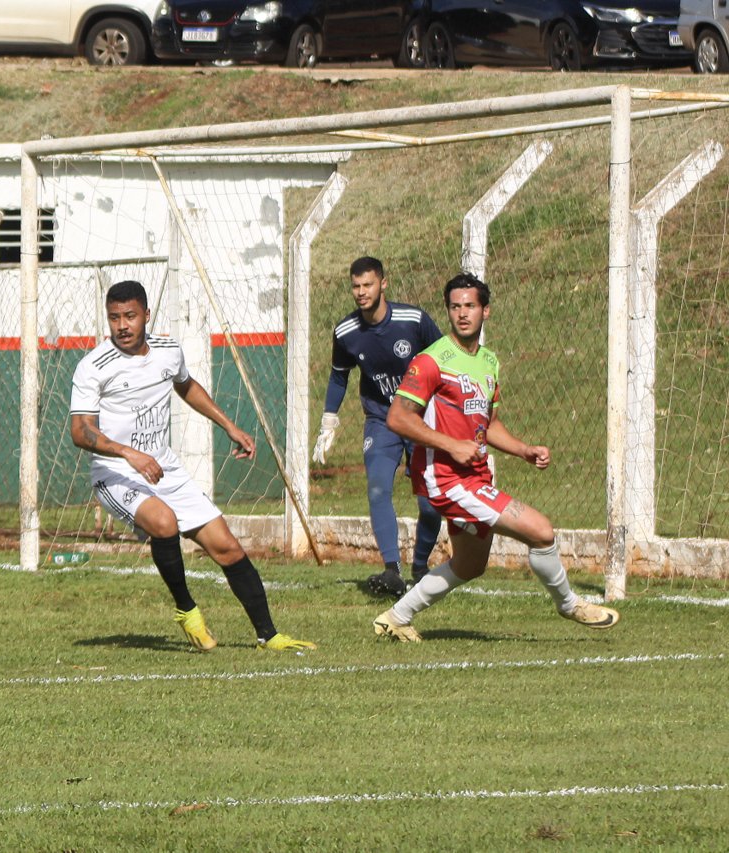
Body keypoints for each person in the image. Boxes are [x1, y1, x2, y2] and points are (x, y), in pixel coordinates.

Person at [68, 280, 316, 653]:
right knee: (164, 523)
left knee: (227, 547)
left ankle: (269, 635)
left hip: (163, 468)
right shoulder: (93, 366)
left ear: (146, 315)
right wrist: (128, 453)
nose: (122, 325)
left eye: (130, 316)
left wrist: (228, 425)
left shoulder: (168, 351)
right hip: (115, 473)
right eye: (114, 317)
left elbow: (186, 386)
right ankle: (187, 610)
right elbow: (79, 430)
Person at [374, 272, 620, 642]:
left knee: (470, 565)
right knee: (541, 531)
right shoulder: (431, 361)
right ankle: (569, 604)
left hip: (474, 477)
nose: (462, 314)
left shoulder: (488, 362)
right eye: (455, 307)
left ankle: (394, 617)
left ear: (485, 311)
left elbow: (488, 424)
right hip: (447, 479)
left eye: (470, 306)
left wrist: (524, 449)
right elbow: (397, 417)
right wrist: (450, 444)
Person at [312, 256, 445, 597]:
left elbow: (445, 362)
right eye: (355, 286)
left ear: (383, 283)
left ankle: (419, 566)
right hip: (381, 421)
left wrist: (451, 413)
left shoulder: (413, 320)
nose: (361, 292)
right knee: (376, 489)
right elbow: (339, 376)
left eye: (367, 284)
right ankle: (392, 571)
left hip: (421, 420)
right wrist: (329, 419)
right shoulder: (346, 332)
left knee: (430, 503)